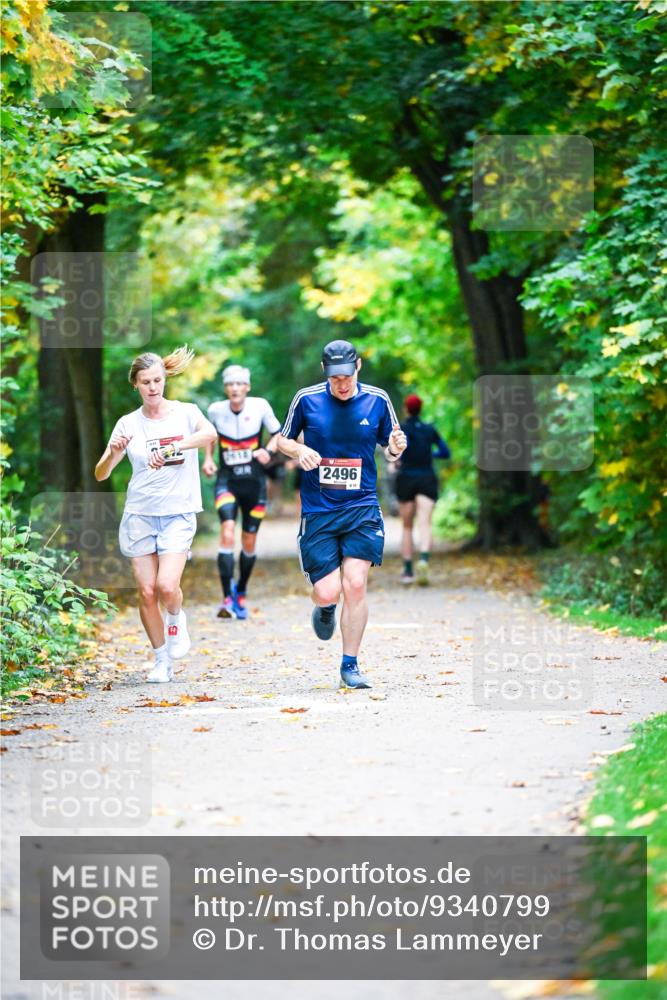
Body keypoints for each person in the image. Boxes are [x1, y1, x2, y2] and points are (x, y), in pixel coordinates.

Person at [277, 339, 407, 690]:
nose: (342, 384)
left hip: (361, 507)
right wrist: (300, 448)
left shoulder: (377, 400)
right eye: (335, 378)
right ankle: (324, 607)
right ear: (325, 372)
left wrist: (395, 449)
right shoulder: (307, 399)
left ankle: (350, 664)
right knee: (327, 591)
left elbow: (392, 447)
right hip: (319, 510)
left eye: (347, 376)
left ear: (358, 367)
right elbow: (281, 440)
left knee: (355, 583)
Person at [94, 347, 217, 683]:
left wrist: (174, 447)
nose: (152, 387)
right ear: (135, 385)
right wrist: (114, 452)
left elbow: (210, 434)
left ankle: (176, 616)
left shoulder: (185, 412)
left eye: (157, 380)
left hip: (178, 513)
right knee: (146, 591)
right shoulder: (127, 424)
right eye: (145, 382)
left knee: (166, 586)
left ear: (165, 379)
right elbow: (101, 474)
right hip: (139, 514)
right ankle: (162, 660)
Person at [202, 365, 281, 619]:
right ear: (226, 388)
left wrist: (267, 451)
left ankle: (242, 591)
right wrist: (208, 459)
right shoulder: (215, 410)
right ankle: (226, 598)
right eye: (230, 384)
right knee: (226, 531)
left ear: (247, 387)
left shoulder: (260, 407)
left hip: (255, 484)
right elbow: (209, 436)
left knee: (248, 542)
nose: (235, 388)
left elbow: (279, 435)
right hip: (227, 481)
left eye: (239, 384)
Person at [395, 393, 450, 585]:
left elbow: (394, 454)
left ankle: (408, 571)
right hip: (427, 478)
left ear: (405, 408)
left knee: (407, 526)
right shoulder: (429, 430)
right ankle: (424, 560)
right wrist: (430, 453)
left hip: (406, 478)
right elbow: (445, 452)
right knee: (425, 523)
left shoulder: (401, 429)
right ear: (421, 409)